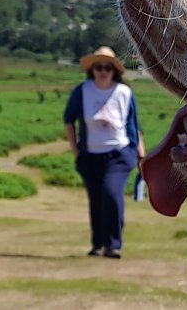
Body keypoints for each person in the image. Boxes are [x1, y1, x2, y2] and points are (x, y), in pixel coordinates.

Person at [63, 46, 144, 259]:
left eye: (107, 67)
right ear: (92, 69)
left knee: (112, 194)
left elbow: (133, 124)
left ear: (114, 70)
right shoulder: (82, 91)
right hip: (90, 155)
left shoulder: (124, 92)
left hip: (119, 153)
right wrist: (75, 150)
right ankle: (98, 244)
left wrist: (140, 153)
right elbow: (68, 120)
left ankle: (114, 244)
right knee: (96, 199)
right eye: (98, 67)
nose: (103, 71)